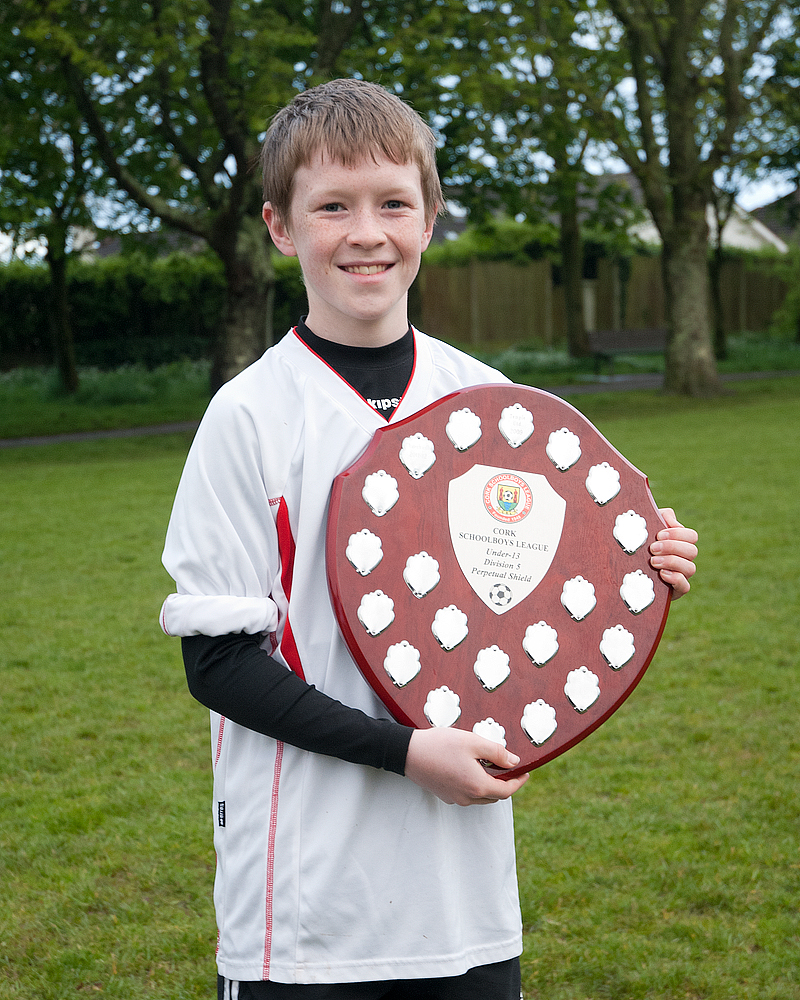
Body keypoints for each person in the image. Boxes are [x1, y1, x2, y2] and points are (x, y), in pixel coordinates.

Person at [160, 79, 698, 1000]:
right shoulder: (247, 415)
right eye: (332, 206)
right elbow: (220, 664)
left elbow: (537, 590)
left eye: (392, 203)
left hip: (466, 906)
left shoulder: (495, 407)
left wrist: (636, 568)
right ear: (281, 227)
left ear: (430, 218)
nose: (365, 232)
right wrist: (408, 754)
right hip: (306, 913)